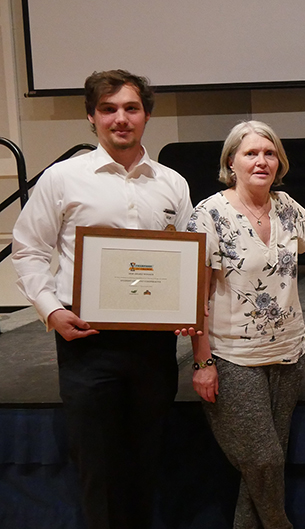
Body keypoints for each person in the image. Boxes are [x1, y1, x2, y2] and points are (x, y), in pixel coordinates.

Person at [11, 70, 194, 528]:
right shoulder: (62, 179)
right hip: (87, 344)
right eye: (109, 109)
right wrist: (51, 309)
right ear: (91, 117)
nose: (121, 119)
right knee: (99, 468)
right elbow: (28, 250)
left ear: (146, 116)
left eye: (131, 108)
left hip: (154, 348)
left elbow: (189, 254)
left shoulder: (172, 183)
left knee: (146, 461)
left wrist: (186, 306)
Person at [186, 121, 305, 529]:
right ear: (231, 162)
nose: (261, 161)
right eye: (251, 153)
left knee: (262, 466)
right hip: (232, 358)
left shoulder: (285, 205)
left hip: (289, 352)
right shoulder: (209, 214)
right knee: (264, 459)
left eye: (269, 153)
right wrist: (201, 363)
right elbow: (196, 298)